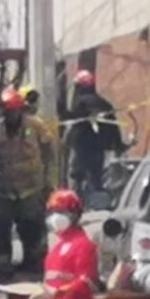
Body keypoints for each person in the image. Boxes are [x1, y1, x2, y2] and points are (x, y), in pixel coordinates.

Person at [0, 87, 53, 281]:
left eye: (13, 111)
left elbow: (49, 155)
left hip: (31, 190)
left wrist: (49, 184)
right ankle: (2, 267)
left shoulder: (36, 127)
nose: (10, 115)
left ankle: (34, 264)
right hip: (2, 191)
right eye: (7, 111)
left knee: (33, 227)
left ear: (21, 110)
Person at [61, 69, 124, 201]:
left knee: (76, 176)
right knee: (96, 177)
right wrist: (118, 145)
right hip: (98, 149)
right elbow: (114, 126)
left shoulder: (80, 103)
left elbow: (74, 118)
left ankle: (76, 201)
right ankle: (98, 200)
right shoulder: (103, 103)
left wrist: (60, 107)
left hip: (81, 147)